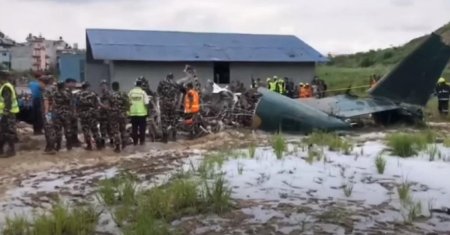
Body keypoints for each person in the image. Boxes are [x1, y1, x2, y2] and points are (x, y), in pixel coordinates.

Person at [0, 71, 19, 157]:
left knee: (8, 132)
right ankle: (2, 150)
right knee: (3, 132)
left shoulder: (6, 87)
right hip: (7, 113)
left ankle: (11, 151)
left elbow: (8, 101)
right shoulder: (6, 86)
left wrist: (5, 112)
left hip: (7, 113)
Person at [78, 82, 102, 150]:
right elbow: (97, 104)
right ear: (88, 87)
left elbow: (76, 105)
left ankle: (89, 146)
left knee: (86, 130)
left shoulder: (78, 94)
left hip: (83, 114)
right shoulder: (93, 94)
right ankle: (99, 145)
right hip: (92, 114)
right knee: (95, 130)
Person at [158, 73, 181, 143]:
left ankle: (165, 138)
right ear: (172, 77)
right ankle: (174, 137)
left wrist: (162, 98)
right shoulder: (175, 84)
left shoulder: (162, 82)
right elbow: (178, 93)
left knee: (164, 120)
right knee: (173, 119)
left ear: (166, 76)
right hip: (172, 104)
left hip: (164, 103)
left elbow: (158, 91)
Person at [53, 81, 73, 151]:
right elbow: (70, 103)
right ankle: (69, 146)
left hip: (58, 113)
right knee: (68, 130)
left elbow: (53, 103)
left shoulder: (54, 93)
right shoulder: (67, 93)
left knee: (58, 131)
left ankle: (58, 146)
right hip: (66, 113)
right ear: (63, 86)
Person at [110, 82, 130, 152]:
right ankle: (124, 145)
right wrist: (126, 111)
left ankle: (117, 147)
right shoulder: (123, 94)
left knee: (115, 131)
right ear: (118, 87)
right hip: (122, 114)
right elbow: (128, 103)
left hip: (114, 114)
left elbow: (109, 105)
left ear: (112, 87)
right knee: (123, 130)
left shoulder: (111, 95)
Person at [128, 80, 149, 146]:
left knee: (134, 128)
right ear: (141, 85)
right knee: (142, 129)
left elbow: (127, 102)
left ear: (135, 85)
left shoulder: (131, 92)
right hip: (142, 114)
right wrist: (148, 112)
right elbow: (146, 103)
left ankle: (135, 142)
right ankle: (142, 142)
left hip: (133, 114)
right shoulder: (143, 93)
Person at [42, 78, 57, 153]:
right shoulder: (55, 88)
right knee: (53, 128)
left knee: (48, 129)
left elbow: (46, 101)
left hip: (49, 112)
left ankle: (50, 147)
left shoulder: (46, 90)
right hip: (56, 111)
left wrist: (46, 112)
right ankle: (53, 146)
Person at [65, 78, 81, 147]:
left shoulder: (72, 92)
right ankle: (69, 143)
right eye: (73, 83)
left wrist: (75, 112)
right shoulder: (65, 92)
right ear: (68, 83)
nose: (74, 85)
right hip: (67, 113)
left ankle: (75, 141)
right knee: (68, 128)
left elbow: (74, 103)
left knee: (74, 127)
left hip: (73, 113)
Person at [98, 80, 113, 147]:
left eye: (104, 85)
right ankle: (104, 143)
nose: (103, 87)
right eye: (102, 85)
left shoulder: (108, 94)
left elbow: (107, 106)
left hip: (108, 115)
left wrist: (99, 104)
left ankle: (111, 143)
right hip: (102, 115)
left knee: (109, 129)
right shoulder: (101, 95)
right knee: (103, 130)